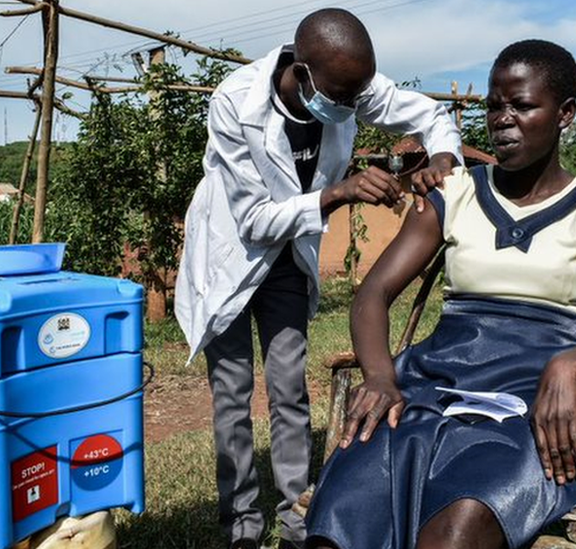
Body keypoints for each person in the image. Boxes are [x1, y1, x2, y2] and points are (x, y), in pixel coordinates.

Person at [305, 39, 576, 549]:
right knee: (341, 518)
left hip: (531, 402)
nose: (502, 120)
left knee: (456, 529)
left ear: (565, 114)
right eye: (494, 106)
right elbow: (373, 293)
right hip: (434, 384)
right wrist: (380, 377)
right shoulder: (454, 193)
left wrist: (570, 364)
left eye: (522, 105)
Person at [173, 8, 463, 549]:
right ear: (302, 73)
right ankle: (241, 525)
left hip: (287, 260)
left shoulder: (347, 86)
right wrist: (338, 192)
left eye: (357, 95)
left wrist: (442, 156)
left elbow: (430, 115)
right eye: (341, 96)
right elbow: (254, 220)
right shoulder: (236, 103)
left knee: (289, 389)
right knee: (232, 395)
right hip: (230, 259)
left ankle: (297, 517)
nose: (351, 107)